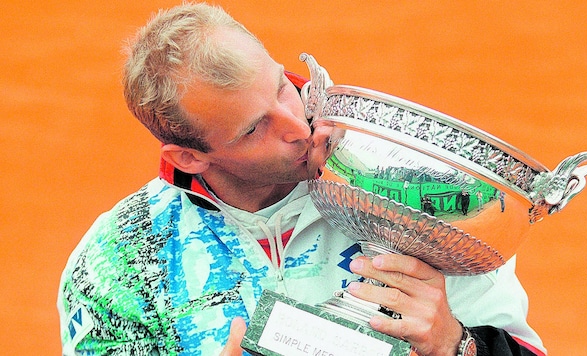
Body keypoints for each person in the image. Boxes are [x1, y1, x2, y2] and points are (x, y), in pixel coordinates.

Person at [57, 3, 546, 356]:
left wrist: (452, 344)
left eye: (282, 89)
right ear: (190, 157)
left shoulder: (413, 200)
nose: (296, 128)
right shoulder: (120, 266)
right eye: (254, 128)